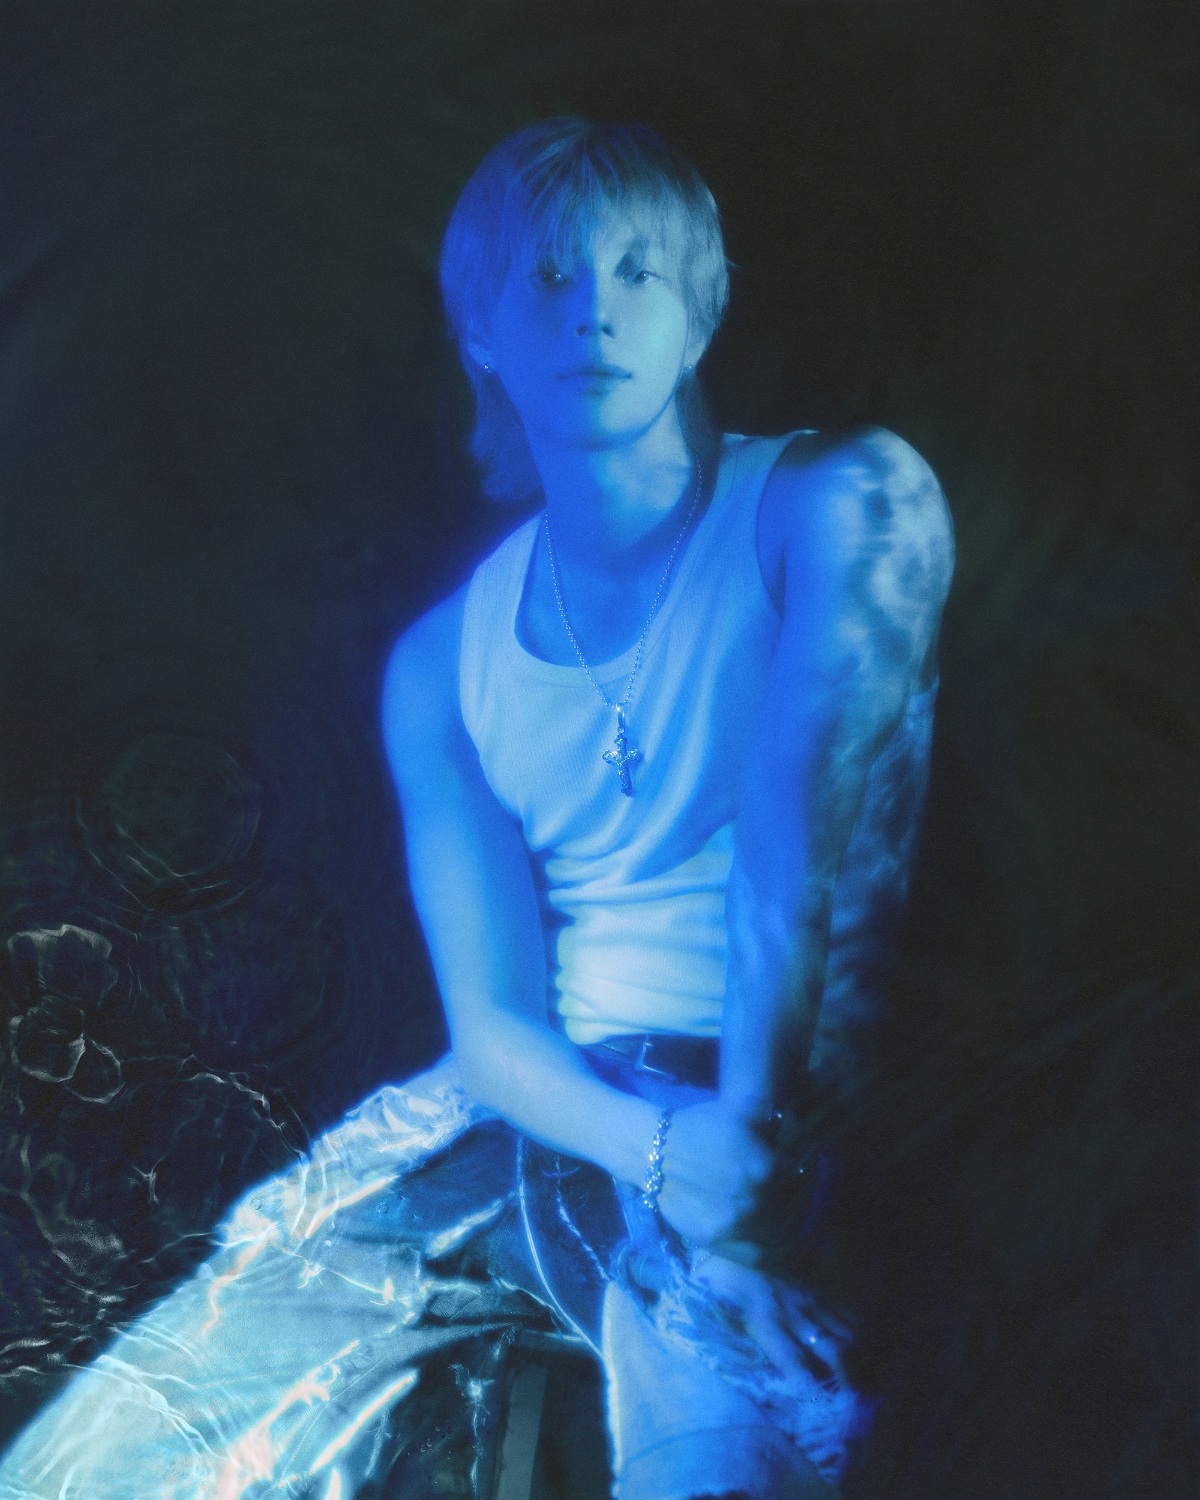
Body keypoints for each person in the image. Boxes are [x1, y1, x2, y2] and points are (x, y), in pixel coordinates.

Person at [0, 118, 953, 1500]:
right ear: (482, 334)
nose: (595, 313)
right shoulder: (439, 661)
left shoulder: (844, 499)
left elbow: (790, 874)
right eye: (549, 278)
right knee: (105, 1452)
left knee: (722, 1468)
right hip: (552, 1115)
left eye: (638, 271)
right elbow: (495, 1032)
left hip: (767, 1103)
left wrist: (737, 1187)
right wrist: (658, 1151)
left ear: (703, 308)